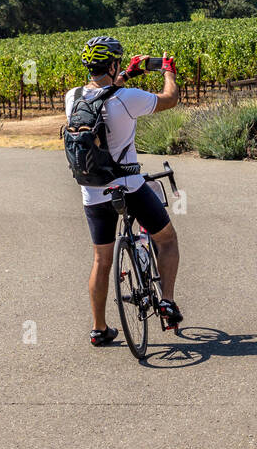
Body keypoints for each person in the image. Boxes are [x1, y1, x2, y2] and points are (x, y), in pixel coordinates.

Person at [65, 36, 182, 345]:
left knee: (101, 261)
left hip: (92, 193)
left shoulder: (72, 97)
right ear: (113, 63)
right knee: (167, 240)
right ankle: (167, 301)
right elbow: (170, 99)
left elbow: (102, 93)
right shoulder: (128, 98)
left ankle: (99, 329)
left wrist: (128, 73)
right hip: (128, 186)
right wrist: (168, 71)